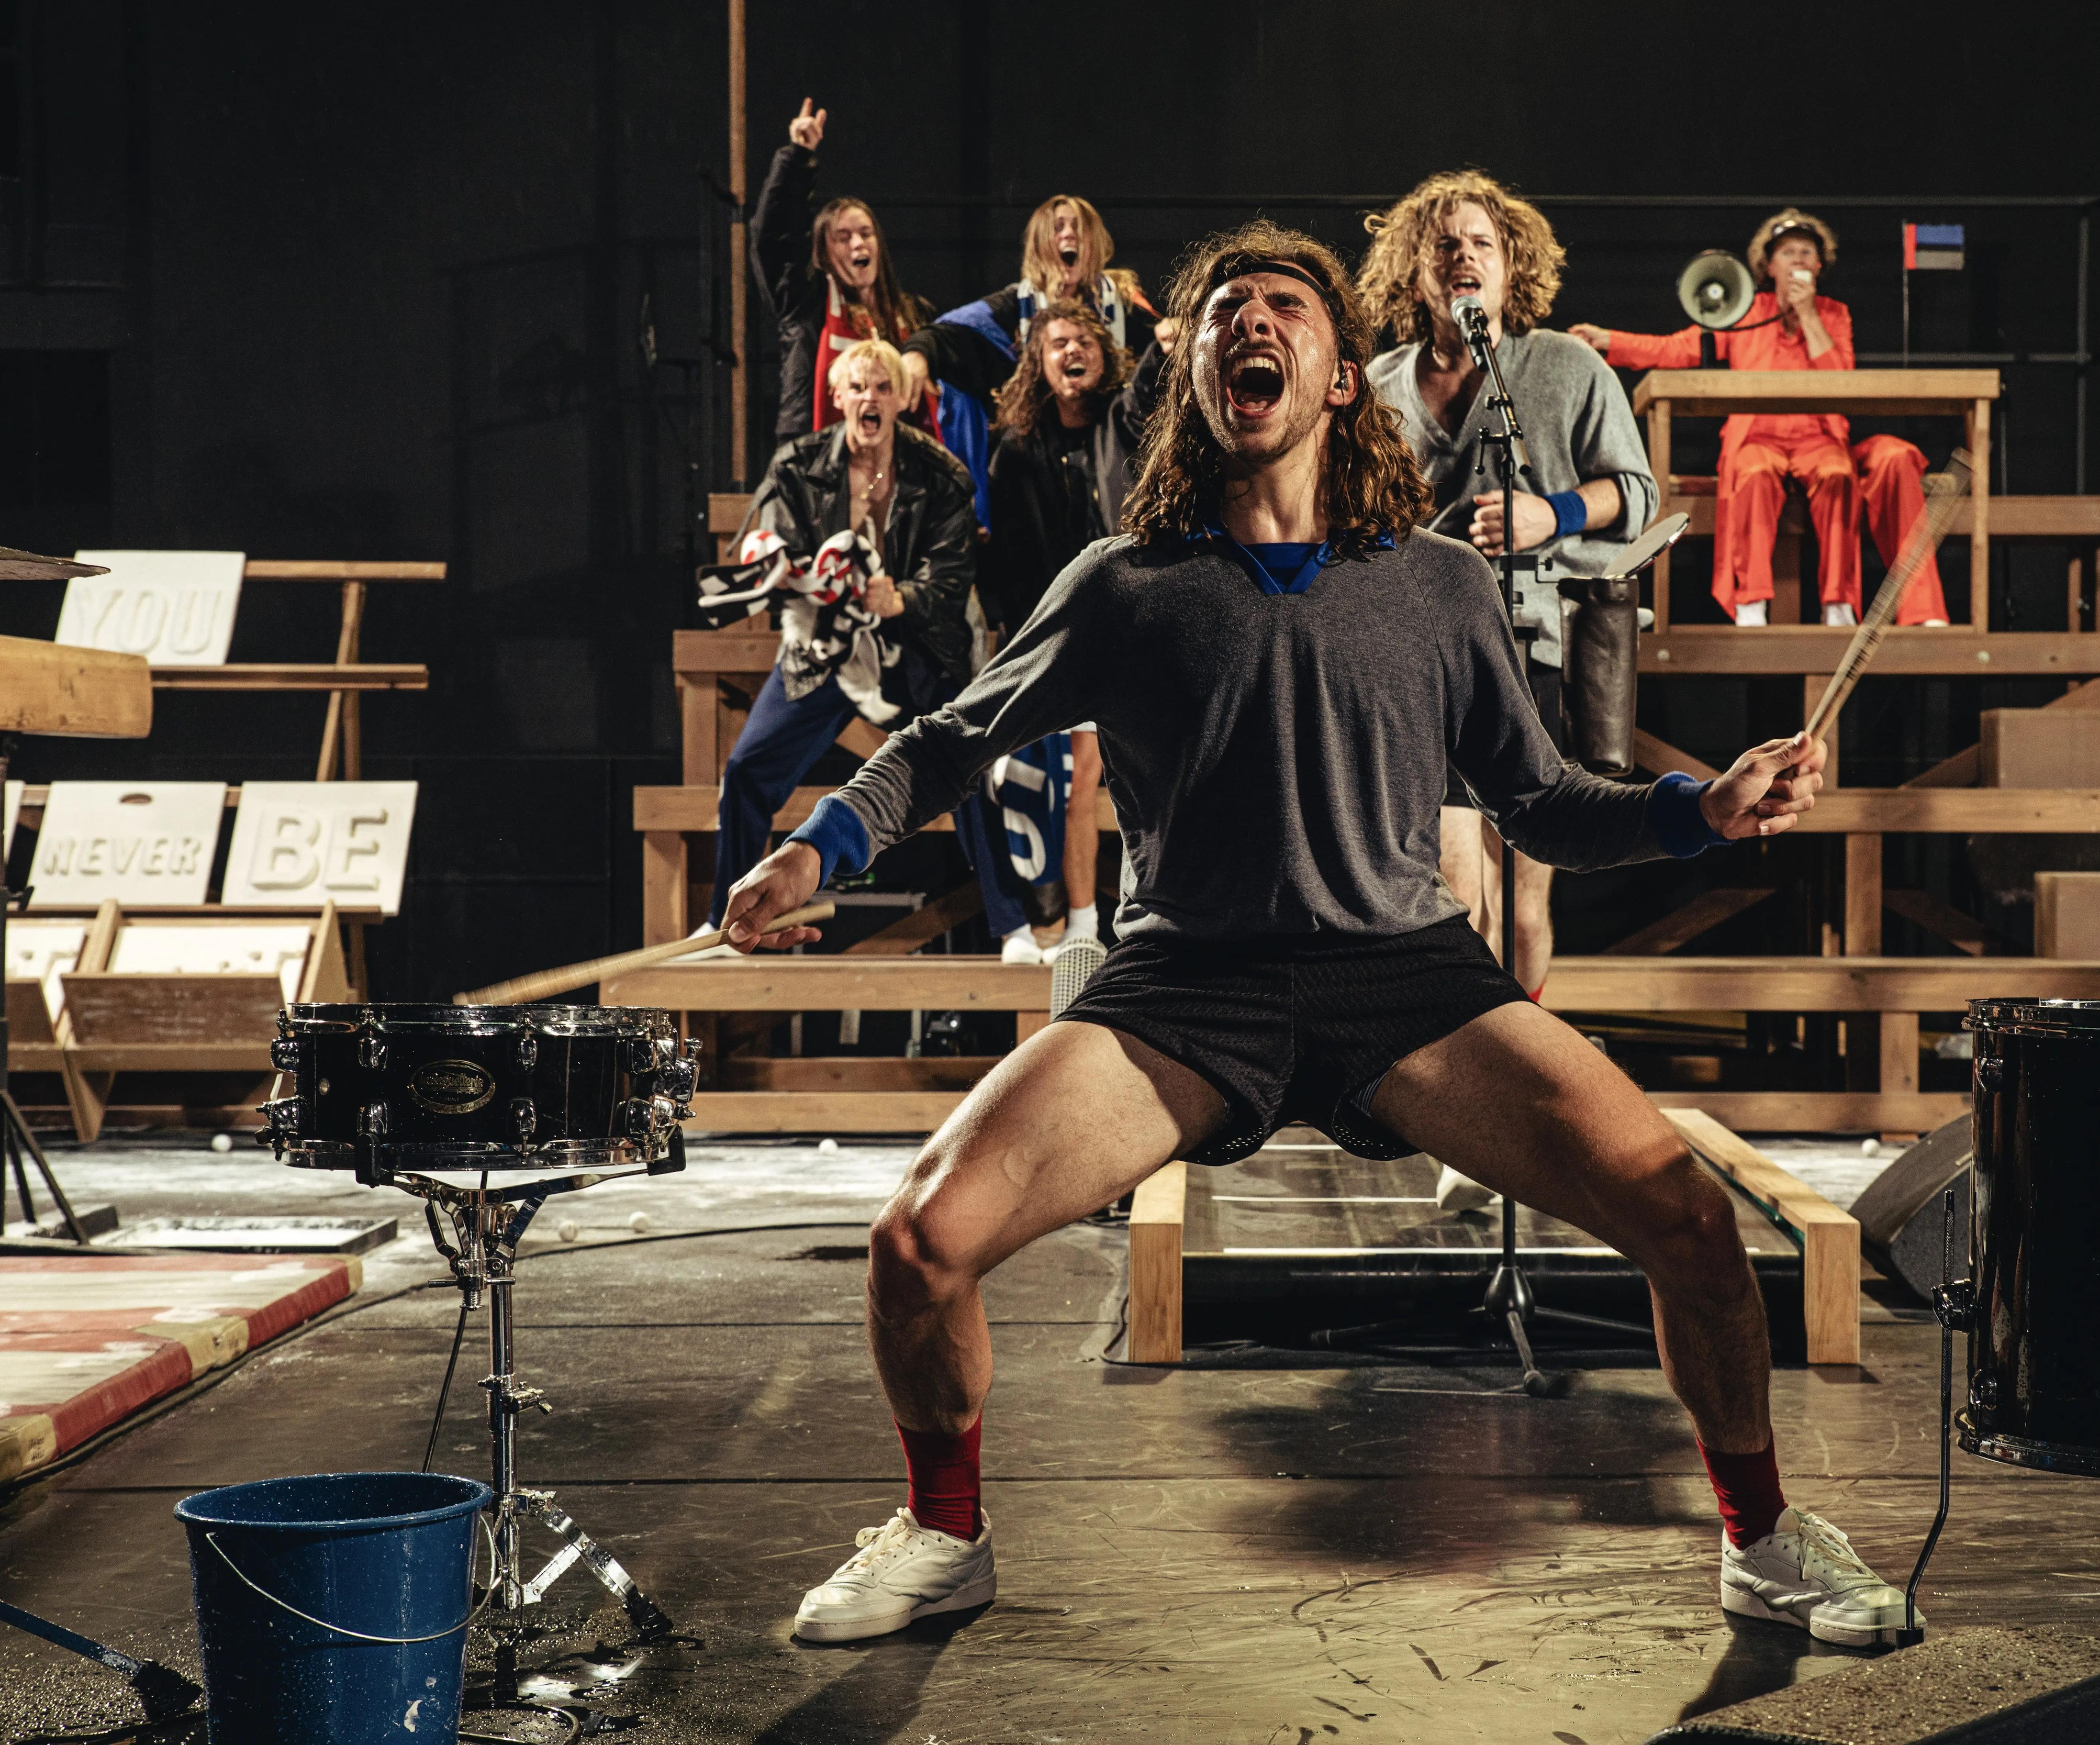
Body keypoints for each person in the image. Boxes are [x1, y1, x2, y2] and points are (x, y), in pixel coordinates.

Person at [717, 221, 1915, 1651]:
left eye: (1284, 305)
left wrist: (1698, 808)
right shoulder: (1125, 583)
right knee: (917, 1240)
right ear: (1201, 369)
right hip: (1184, 984)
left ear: (1346, 375)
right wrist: (819, 842)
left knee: (1691, 1220)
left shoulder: (1437, 583)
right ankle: (942, 1528)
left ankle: (1763, 1535)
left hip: (1400, 973)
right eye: (1225, 308)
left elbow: (1539, 799)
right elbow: (949, 738)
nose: (1248, 322)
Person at [1358, 169, 1658, 1000]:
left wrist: (1550, 513)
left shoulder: (1565, 366)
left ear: (1510, 264)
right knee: (1457, 881)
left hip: (1533, 641)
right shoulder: (1379, 386)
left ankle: (1517, 1057)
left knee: (1527, 899)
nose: (1463, 257)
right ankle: (1466, 1066)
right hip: (1417, 657)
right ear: (1413, 270)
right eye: (1444, 244)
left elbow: (1635, 494)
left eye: (1481, 243)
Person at [1571, 208, 1949, 628]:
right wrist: (1609, 341)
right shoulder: (1747, 311)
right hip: (1759, 437)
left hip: (1819, 439)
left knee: (1839, 476)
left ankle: (1838, 606)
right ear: (1769, 266)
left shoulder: (1834, 313)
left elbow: (1841, 381)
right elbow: (1676, 349)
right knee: (1752, 473)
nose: (1799, 260)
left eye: (1807, 252)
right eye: (1788, 252)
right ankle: (1750, 605)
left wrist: (1807, 316)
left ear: (1820, 266)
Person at [707, 338, 977, 925]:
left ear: (902, 399)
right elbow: (759, 552)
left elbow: (950, 585)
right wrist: (775, 560)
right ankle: (725, 919)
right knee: (746, 768)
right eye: (857, 387)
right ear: (836, 397)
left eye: (883, 386)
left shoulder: (941, 475)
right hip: (823, 646)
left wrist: (900, 597)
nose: (869, 398)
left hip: (911, 646)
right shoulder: (798, 464)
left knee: (971, 757)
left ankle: (1013, 923)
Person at [963, 304, 1167, 961]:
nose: (1072, 351)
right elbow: (1007, 558)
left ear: (1104, 354)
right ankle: (1074, 922)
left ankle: (1116, 919)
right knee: (1058, 780)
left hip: (1133, 623)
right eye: (1057, 344)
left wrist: (1163, 347)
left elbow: (1144, 401)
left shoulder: (1122, 423)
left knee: (1117, 776)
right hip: (1056, 634)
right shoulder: (1018, 446)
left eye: (1084, 340)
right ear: (1038, 362)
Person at [899, 193, 1166, 524]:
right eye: (1058, 227)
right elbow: (947, 334)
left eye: (1078, 227)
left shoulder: (1122, 308)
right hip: (1038, 465)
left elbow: (1163, 348)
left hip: (1113, 461)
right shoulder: (1013, 307)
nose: (1069, 234)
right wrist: (916, 355)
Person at [749, 97, 933, 446]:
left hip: (894, 458)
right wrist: (797, 159)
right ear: (825, 253)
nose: (857, 245)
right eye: (843, 238)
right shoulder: (806, 302)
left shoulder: (914, 313)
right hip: (817, 454)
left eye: (866, 234)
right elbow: (769, 242)